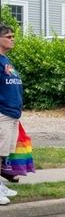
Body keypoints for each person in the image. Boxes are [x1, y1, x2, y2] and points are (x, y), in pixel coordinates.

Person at [0, 25, 21, 205]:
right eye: (8, 36)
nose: (12, 38)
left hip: (12, 113)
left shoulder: (6, 60)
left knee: (5, 152)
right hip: (3, 112)